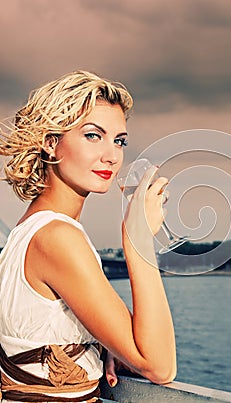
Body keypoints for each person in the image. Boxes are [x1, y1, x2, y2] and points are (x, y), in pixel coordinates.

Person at [0, 71, 176, 402]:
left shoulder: (27, 232)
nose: (112, 155)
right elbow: (161, 366)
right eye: (94, 136)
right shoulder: (58, 237)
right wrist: (137, 238)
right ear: (51, 142)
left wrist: (97, 343)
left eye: (119, 140)